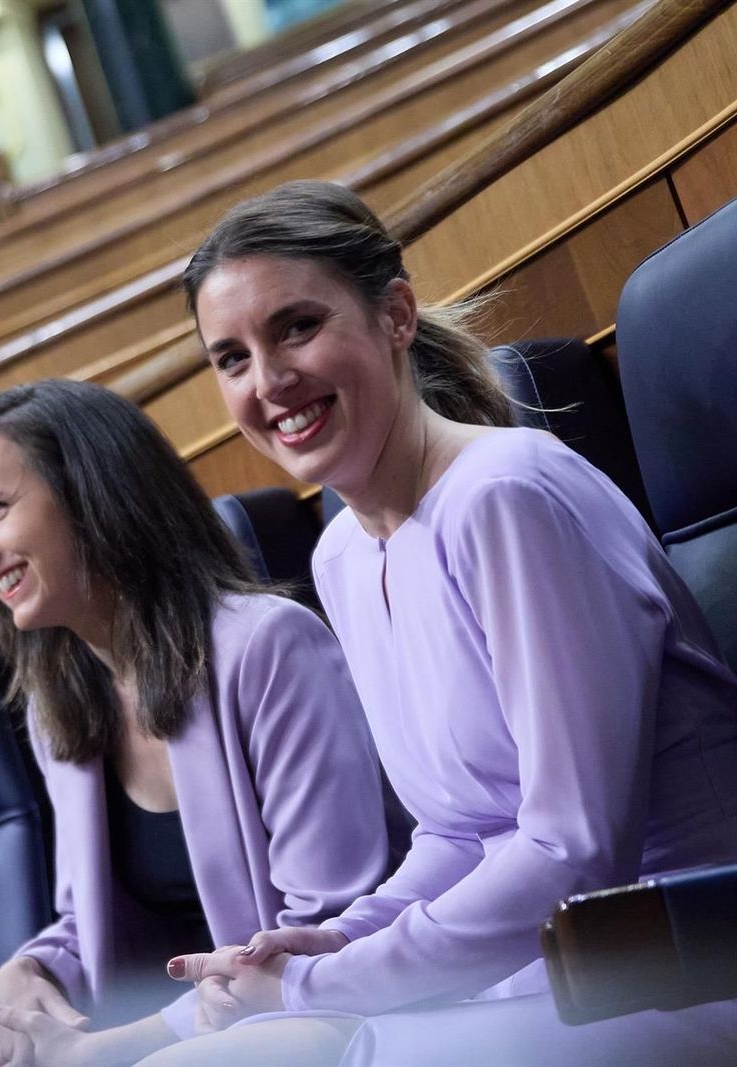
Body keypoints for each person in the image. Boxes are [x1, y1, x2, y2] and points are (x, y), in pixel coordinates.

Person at [149, 180, 737, 1065]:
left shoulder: (509, 494)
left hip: (679, 967)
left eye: (296, 327)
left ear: (396, 315)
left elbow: (575, 849)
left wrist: (322, 985)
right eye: (232, 358)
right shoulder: (341, 555)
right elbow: (462, 830)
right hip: (537, 980)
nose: (268, 382)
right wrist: (338, 938)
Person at [0, 380, 405, 1067]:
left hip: (332, 1017)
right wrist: (28, 970)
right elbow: (86, 918)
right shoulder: (58, 705)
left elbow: (325, 931)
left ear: (93, 494)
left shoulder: (269, 647)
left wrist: (114, 1049)